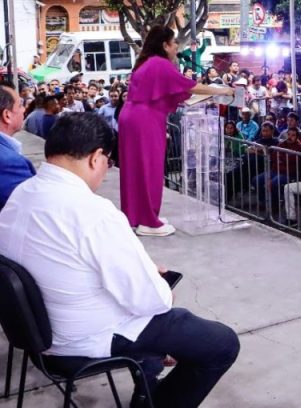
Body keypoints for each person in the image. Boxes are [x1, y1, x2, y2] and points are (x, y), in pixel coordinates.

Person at [0, 113, 240, 408]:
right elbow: (150, 300)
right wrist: (154, 279)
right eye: (108, 162)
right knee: (220, 343)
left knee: (159, 321)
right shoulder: (92, 211)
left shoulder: (20, 195)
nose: (105, 171)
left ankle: (149, 381)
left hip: (36, 334)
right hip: (81, 338)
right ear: (95, 157)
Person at [118, 25, 235, 236]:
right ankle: (148, 221)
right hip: (144, 120)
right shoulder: (160, 64)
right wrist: (223, 90)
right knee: (148, 169)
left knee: (135, 169)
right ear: (164, 45)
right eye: (174, 44)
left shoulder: (146, 62)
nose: (176, 48)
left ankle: (136, 216)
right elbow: (188, 86)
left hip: (133, 118)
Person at [0, 85, 36, 210]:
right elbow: (32, 205)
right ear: (7, 115)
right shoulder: (9, 163)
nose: (24, 109)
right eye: (20, 105)